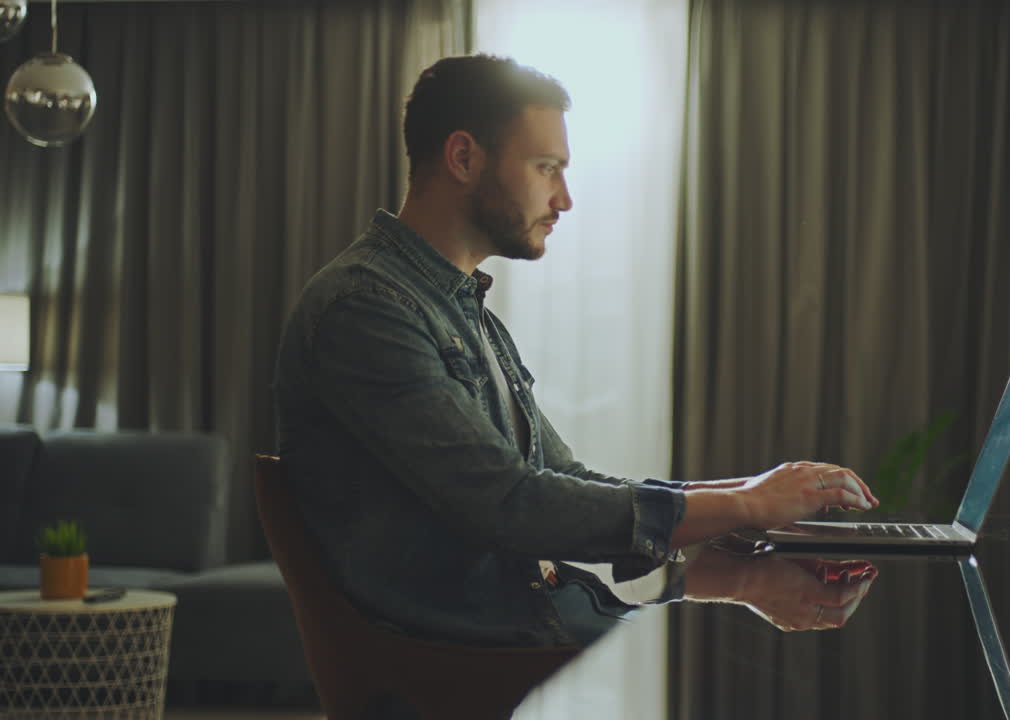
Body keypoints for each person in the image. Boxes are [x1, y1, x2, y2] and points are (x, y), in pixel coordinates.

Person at [273, 54, 878, 649]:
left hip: (534, 626)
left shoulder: (460, 308)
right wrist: (746, 506)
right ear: (463, 157)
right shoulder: (367, 309)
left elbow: (561, 481)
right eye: (546, 168)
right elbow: (512, 504)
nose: (563, 199)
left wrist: (754, 501)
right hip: (469, 661)